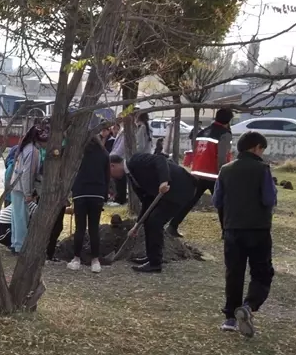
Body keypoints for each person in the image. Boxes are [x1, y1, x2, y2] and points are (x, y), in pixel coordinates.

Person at [213, 132, 276, 337]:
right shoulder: (262, 169)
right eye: (262, 149)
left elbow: (217, 200)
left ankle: (230, 318)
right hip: (258, 230)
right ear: (256, 147)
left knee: (234, 273)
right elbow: (268, 199)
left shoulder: (225, 170)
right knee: (262, 272)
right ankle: (249, 307)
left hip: (232, 229)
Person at [108, 152, 194, 273]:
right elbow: (147, 202)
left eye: (109, 173)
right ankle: (152, 257)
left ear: (112, 165)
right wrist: (137, 225)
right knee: (149, 221)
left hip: (180, 188)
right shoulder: (133, 179)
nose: (112, 177)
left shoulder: (136, 160)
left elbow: (160, 160)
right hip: (168, 195)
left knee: (155, 221)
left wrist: (164, 181)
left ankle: (155, 263)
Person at [169, 108, 234, 238]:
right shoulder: (224, 134)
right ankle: (226, 232)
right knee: (223, 202)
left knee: (190, 201)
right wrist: (225, 173)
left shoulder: (203, 131)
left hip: (198, 172)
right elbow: (222, 156)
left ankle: (172, 226)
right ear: (229, 121)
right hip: (214, 174)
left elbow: (196, 150)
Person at [66, 125, 111, 273]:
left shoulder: (77, 153)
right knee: (94, 228)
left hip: (80, 192)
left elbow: (71, 173)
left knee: (80, 227)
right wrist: (104, 195)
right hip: (97, 193)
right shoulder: (104, 154)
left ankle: (76, 259)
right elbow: (107, 176)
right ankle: (95, 260)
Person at [8, 124, 47, 253]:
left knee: (16, 216)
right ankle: (20, 246)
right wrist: (28, 193)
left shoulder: (26, 148)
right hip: (21, 187)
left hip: (16, 186)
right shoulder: (32, 151)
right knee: (21, 217)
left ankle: (15, 243)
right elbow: (28, 174)